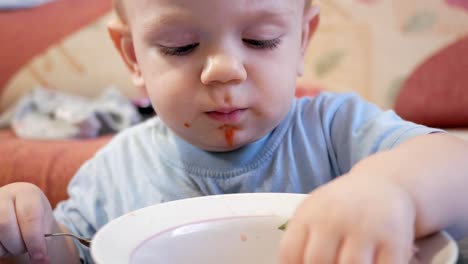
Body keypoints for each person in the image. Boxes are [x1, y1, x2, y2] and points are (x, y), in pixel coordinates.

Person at [1, 0, 468, 263]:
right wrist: (30, 235)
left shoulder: (336, 131)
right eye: (179, 46)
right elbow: (71, 254)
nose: (224, 70)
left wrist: (391, 189)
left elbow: (456, 165)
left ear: (302, 40)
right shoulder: (112, 173)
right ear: (132, 58)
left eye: (259, 39)